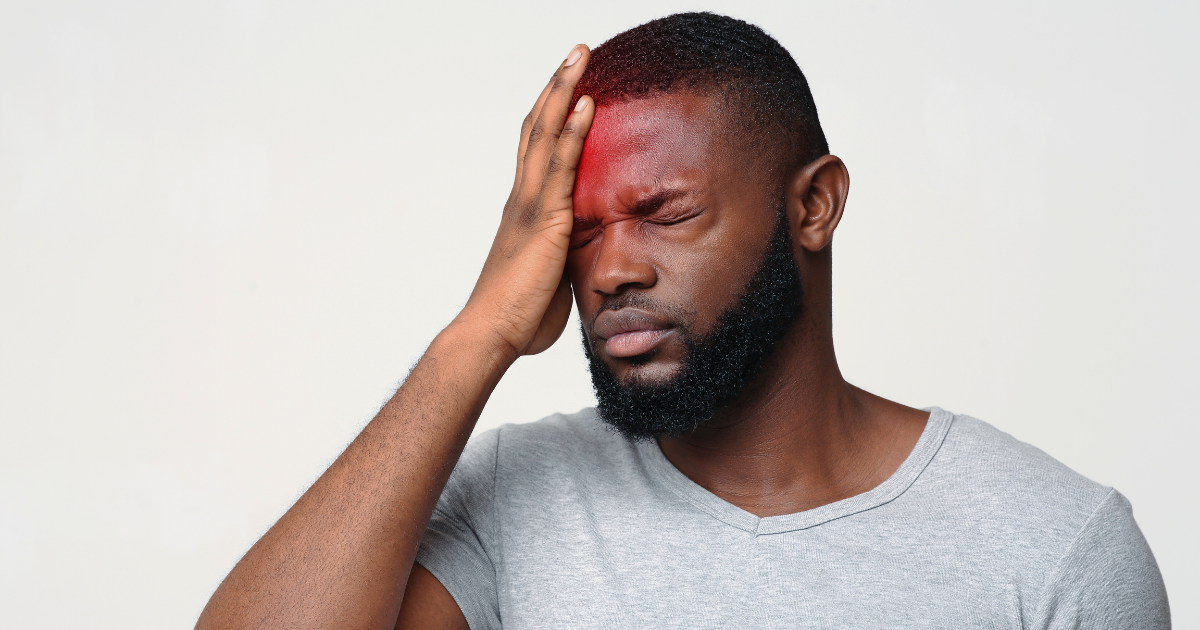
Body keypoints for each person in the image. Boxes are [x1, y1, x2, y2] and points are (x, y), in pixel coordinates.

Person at [196, 12, 1170, 630]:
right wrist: (478, 335)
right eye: (578, 232)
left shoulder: (1052, 549)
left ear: (813, 207)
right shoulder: (521, 502)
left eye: (665, 214)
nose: (611, 267)